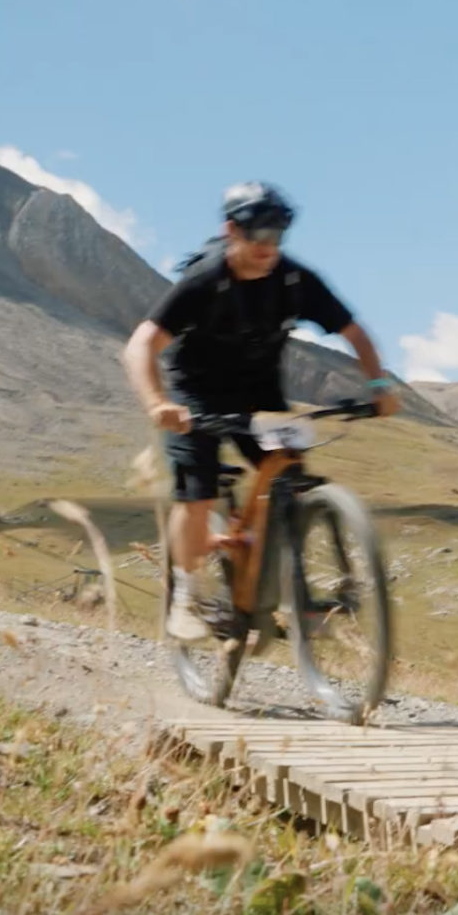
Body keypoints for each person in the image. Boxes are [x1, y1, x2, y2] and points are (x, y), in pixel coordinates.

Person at [122, 181, 399, 642]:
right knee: (199, 491)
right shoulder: (205, 280)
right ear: (232, 230)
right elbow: (140, 345)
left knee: (289, 481)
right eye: (259, 235)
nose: (269, 246)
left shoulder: (295, 280)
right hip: (196, 394)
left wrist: (378, 385)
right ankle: (186, 598)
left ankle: (288, 593)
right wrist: (157, 403)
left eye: (278, 235)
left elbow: (354, 333)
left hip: (261, 395)